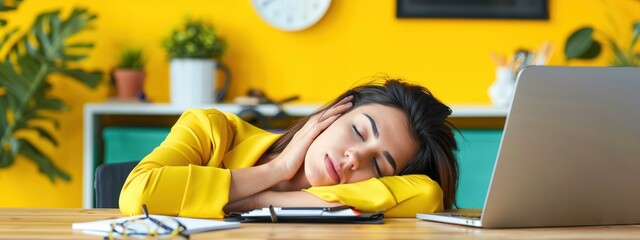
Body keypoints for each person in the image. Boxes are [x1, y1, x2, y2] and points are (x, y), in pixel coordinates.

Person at [119, 78, 459, 218]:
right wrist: (276, 170)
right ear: (333, 112)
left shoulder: (344, 201)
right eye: (357, 130)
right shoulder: (210, 128)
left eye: (379, 165)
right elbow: (137, 196)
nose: (355, 157)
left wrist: (258, 201)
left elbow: (429, 194)